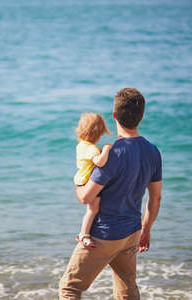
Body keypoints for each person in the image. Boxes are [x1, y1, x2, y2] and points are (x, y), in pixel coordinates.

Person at [59, 88, 162, 300]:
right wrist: (146, 229)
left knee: (69, 288)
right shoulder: (153, 151)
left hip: (104, 234)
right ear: (141, 116)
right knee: (127, 289)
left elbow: (86, 197)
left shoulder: (111, 154)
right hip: (132, 232)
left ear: (114, 116)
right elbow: (155, 198)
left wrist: (78, 183)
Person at [73, 113, 112, 248]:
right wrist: (106, 149)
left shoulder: (81, 145)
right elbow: (100, 162)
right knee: (93, 210)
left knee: (93, 209)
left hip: (81, 180)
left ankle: (85, 233)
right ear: (97, 133)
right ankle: (84, 234)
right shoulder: (92, 149)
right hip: (87, 182)